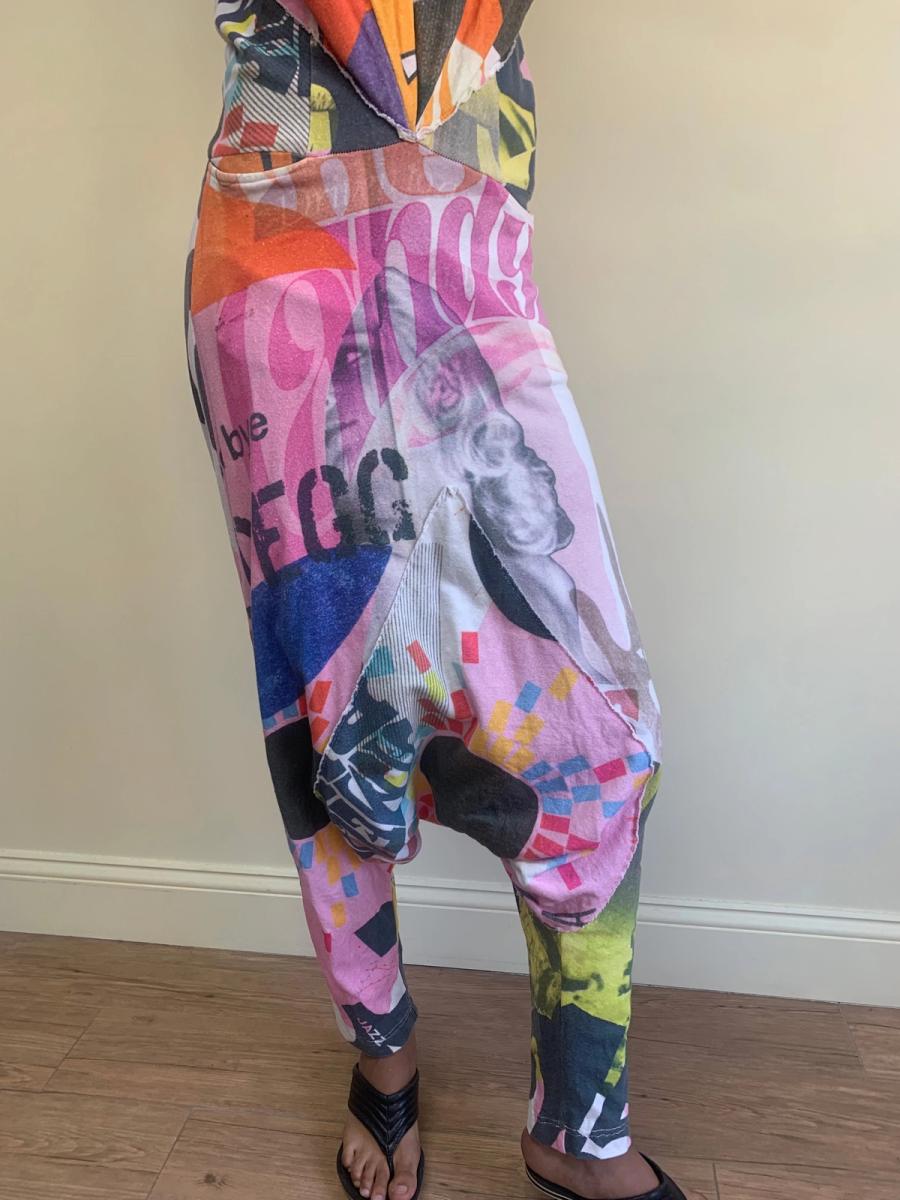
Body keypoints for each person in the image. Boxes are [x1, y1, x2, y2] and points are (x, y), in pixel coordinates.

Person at [183, 4, 685, 1199]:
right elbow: (376, 42)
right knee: (333, 727)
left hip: (470, 238)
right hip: (276, 245)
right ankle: (384, 1053)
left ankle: (578, 1124)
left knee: (600, 736)